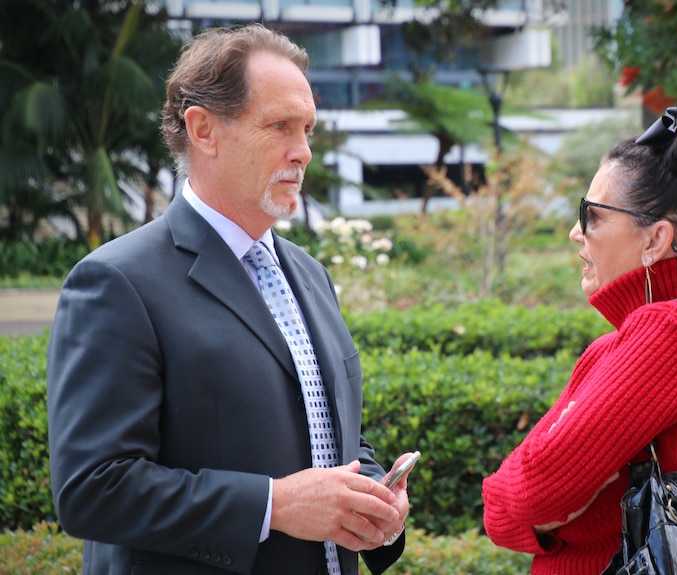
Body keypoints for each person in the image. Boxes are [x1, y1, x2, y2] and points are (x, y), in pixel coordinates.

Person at [47, 24, 412, 575]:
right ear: (204, 130)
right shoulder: (116, 282)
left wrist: (372, 495)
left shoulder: (310, 274)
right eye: (280, 127)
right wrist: (275, 505)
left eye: (308, 128)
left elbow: (328, 431)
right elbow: (92, 489)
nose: (304, 151)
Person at [482, 104, 677, 574]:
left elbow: (529, 496)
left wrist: (525, 508)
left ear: (655, 240)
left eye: (591, 216)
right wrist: (538, 513)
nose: (576, 233)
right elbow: (526, 507)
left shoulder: (669, 336)